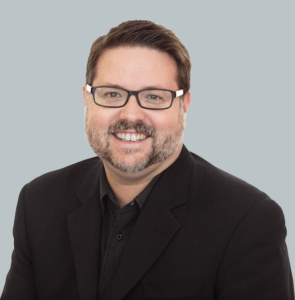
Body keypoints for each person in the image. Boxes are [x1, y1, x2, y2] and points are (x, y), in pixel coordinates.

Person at [1, 20, 294, 300]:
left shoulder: (249, 221)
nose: (130, 115)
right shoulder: (37, 202)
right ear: (86, 99)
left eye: (153, 97)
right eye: (112, 93)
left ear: (184, 105)